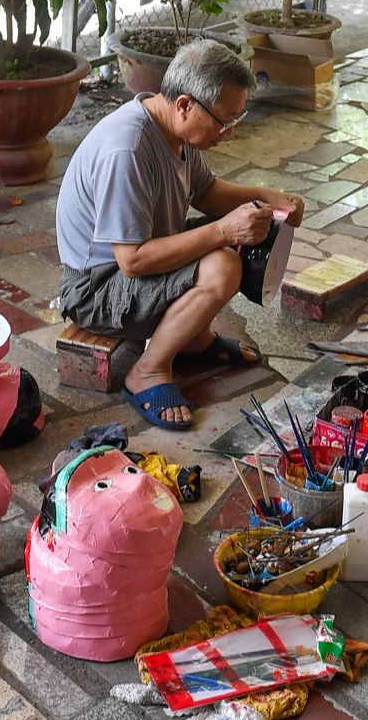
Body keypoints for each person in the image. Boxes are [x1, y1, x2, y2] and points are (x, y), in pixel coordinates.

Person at [55, 39, 305, 431]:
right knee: (223, 263)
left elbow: (206, 192)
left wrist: (267, 197)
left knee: (227, 245)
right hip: (96, 289)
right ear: (186, 104)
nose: (227, 133)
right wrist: (223, 231)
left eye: (234, 121)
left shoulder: (171, 125)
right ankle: (149, 372)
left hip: (134, 264)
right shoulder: (129, 149)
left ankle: (194, 340)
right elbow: (133, 261)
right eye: (223, 121)